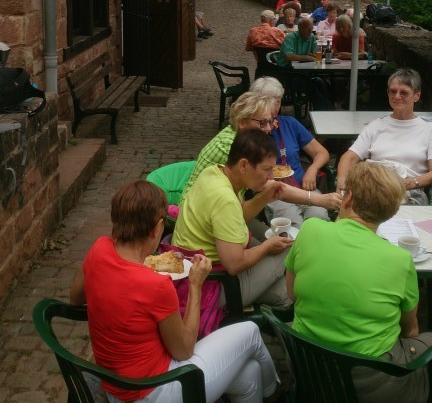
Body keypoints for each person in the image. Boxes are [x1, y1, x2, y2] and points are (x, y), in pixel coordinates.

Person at [70, 180, 282, 403]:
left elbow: (75, 298)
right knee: (250, 331)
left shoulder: (99, 249)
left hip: (117, 387)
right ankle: (275, 393)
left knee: (249, 373)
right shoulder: (155, 284)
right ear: (157, 228)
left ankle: (267, 392)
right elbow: (184, 349)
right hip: (156, 391)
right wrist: (195, 286)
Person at [285, 162, 432, 403]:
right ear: (390, 211)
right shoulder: (400, 260)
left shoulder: (310, 229)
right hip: (371, 383)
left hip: (307, 365)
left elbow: (291, 294)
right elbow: (410, 330)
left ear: (348, 197)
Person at [181, 87, 341, 226]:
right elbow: (270, 185)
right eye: (262, 123)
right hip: (200, 214)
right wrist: (319, 199)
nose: (269, 129)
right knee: (283, 238)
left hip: (225, 206)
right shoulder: (234, 145)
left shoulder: (238, 136)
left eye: (270, 122)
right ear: (242, 122)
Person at [173, 129, 296, 309]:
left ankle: (279, 312)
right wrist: (267, 247)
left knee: (285, 293)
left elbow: (236, 216)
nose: (271, 176)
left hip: (189, 272)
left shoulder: (213, 172)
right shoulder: (225, 199)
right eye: (266, 169)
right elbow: (234, 264)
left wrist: (264, 196)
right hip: (212, 286)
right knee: (290, 248)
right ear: (244, 165)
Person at [250, 76, 340, 227]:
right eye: (269, 103)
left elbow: (321, 153)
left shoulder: (289, 124)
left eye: (278, 102)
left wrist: (312, 169)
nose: (274, 109)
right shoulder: (253, 131)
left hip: (302, 186)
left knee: (319, 219)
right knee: (292, 225)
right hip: (274, 193)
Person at [337, 68, 432, 204]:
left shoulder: (428, 129)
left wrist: (412, 182)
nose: (397, 96)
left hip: (408, 191)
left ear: (417, 95)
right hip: (373, 187)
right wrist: (341, 181)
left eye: (404, 92)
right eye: (392, 91)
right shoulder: (376, 125)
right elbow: (349, 157)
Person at [276, 17, 335, 111]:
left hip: (304, 72)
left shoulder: (311, 37)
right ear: (300, 28)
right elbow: (288, 56)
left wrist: (315, 55)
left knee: (321, 82)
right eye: (308, 29)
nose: (310, 31)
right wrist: (306, 57)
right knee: (311, 86)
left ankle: (323, 110)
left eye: (311, 28)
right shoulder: (291, 37)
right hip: (288, 73)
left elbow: (314, 54)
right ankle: (327, 111)